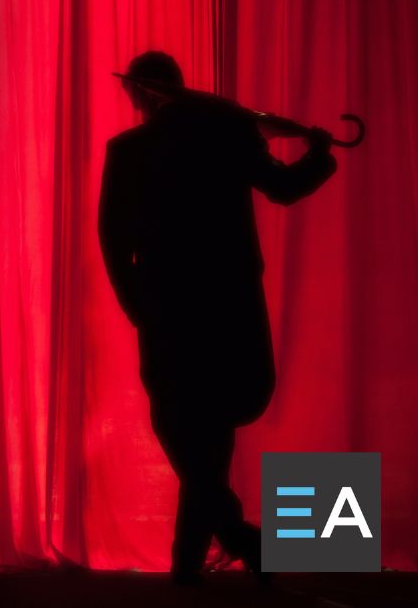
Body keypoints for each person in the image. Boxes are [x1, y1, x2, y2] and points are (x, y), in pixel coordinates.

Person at [98, 51, 337, 586]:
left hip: (169, 311)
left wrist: (137, 305)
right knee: (209, 437)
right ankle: (228, 551)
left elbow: (113, 239)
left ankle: (214, 554)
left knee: (185, 431)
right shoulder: (229, 133)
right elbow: (285, 187)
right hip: (228, 307)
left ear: (140, 94)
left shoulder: (131, 149)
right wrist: (319, 154)